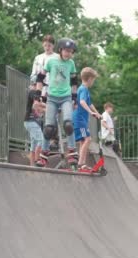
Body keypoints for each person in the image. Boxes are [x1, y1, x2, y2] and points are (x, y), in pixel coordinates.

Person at [34, 38, 78, 167]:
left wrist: (74, 98)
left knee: (68, 124)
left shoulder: (71, 63)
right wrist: (38, 93)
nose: (68, 54)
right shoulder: (50, 61)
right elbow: (40, 77)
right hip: (52, 98)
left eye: (70, 52)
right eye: (66, 51)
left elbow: (74, 82)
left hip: (66, 98)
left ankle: (72, 153)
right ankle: (43, 156)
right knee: (48, 128)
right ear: (60, 50)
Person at [28, 34, 59, 151]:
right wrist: (33, 84)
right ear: (43, 45)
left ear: (53, 46)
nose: (47, 48)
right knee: (38, 113)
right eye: (45, 45)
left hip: (53, 88)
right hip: (40, 88)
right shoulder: (38, 58)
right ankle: (41, 139)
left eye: (49, 45)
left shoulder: (57, 57)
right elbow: (34, 73)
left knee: (52, 113)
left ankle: (54, 140)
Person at [72, 67, 101, 170]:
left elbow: (90, 103)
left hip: (81, 120)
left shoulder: (84, 89)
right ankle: (80, 163)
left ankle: (82, 164)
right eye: (93, 79)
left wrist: (97, 113)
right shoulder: (83, 89)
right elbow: (82, 102)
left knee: (83, 141)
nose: (93, 82)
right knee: (87, 139)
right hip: (79, 120)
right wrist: (91, 112)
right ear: (89, 79)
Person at [23, 98, 45, 166]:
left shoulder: (39, 104)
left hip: (30, 123)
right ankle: (37, 160)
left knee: (34, 144)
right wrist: (43, 105)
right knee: (41, 140)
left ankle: (32, 166)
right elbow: (35, 104)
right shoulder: (36, 100)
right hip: (32, 122)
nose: (41, 112)